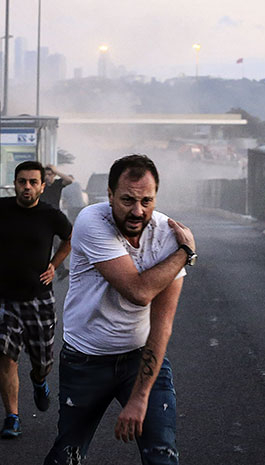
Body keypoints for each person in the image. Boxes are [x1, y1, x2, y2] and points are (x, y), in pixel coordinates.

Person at [44, 154, 197, 465]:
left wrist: (141, 397)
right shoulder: (91, 221)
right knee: (67, 457)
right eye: (127, 199)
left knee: (162, 457)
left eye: (146, 200)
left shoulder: (168, 235)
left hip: (140, 357)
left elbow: (162, 324)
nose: (138, 211)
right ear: (110, 195)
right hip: (85, 360)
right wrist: (186, 253)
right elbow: (138, 293)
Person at [0, 161, 72, 439]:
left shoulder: (51, 215)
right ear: (15, 183)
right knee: (6, 354)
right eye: (22, 181)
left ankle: (40, 381)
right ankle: (12, 417)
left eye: (33, 182)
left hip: (39, 300)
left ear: (43, 186)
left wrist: (55, 264)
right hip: (5, 298)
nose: (27, 187)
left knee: (42, 361)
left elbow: (69, 238)